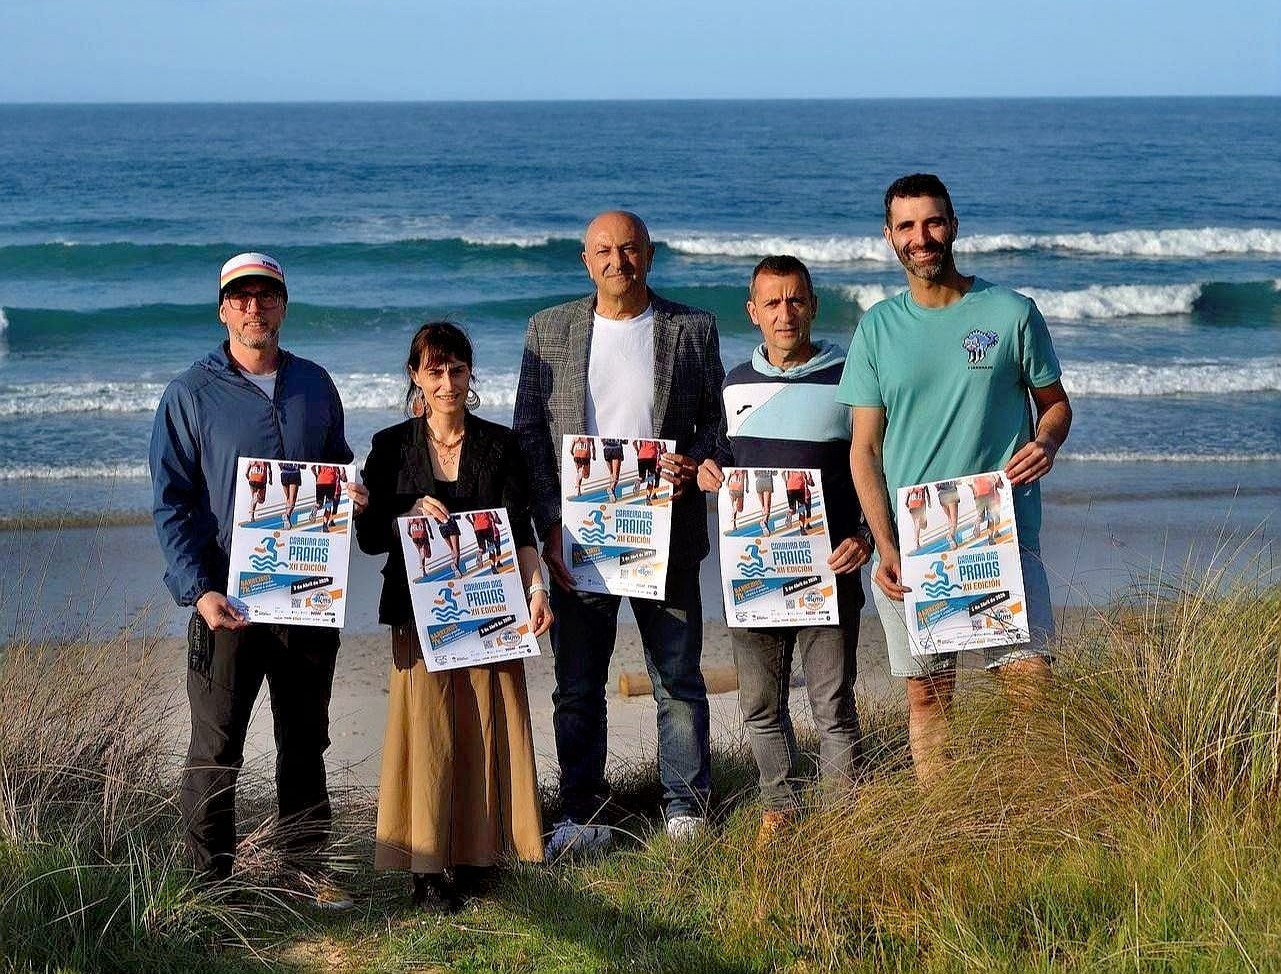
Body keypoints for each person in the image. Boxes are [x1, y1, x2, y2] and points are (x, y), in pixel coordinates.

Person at [839, 174, 1073, 784]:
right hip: (915, 542)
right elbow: (864, 450)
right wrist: (884, 547)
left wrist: (1045, 441)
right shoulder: (877, 329)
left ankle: (1032, 812)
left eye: (933, 222)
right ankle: (945, 817)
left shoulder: (1011, 312)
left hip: (1003, 529)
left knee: (1028, 686)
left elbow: (1055, 403)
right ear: (890, 236)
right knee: (929, 695)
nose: (922, 238)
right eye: (907, 226)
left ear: (954, 224)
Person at [150, 252, 367, 907]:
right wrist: (199, 589)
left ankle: (302, 875)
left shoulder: (314, 383)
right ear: (222, 309)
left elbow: (333, 467)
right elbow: (172, 499)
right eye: (240, 298)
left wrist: (350, 496)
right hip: (228, 606)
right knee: (215, 750)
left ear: (283, 304)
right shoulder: (190, 393)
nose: (254, 308)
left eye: (265, 296)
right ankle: (207, 889)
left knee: (305, 743)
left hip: (306, 599)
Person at [514, 210, 725, 854]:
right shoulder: (548, 330)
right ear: (585, 259)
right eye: (603, 251)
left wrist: (696, 461)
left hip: (667, 532)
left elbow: (717, 427)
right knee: (578, 685)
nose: (617, 262)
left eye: (629, 250)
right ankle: (581, 810)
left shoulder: (693, 328)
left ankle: (685, 808)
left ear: (650, 255)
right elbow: (528, 438)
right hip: (579, 539)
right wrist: (547, 523)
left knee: (678, 680)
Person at [355, 322, 553, 911]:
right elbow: (367, 538)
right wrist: (405, 509)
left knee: (486, 727)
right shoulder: (391, 446)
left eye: (457, 371)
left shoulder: (500, 444)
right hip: (417, 615)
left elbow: (520, 529)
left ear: (470, 375)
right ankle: (426, 867)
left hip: (491, 612)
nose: (447, 382)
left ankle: (478, 856)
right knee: (429, 735)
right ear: (415, 376)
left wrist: (537, 588)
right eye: (434, 371)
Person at [698, 255, 870, 843]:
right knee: (761, 707)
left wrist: (865, 537)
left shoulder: (850, 377)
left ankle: (844, 821)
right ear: (752, 312)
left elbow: (874, 467)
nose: (785, 313)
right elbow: (722, 453)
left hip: (831, 571)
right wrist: (709, 471)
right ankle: (780, 810)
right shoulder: (735, 382)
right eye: (771, 303)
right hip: (756, 578)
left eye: (795, 300)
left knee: (833, 708)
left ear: (813, 305)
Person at [969, 472, 1004, 544]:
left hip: (979, 496)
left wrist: (974, 491)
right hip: (991, 496)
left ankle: (978, 525)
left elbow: (969, 482)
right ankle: (991, 538)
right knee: (991, 519)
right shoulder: (993, 472)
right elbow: (1001, 485)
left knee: (981, 517)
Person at [311, 463, 345, 532]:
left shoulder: (320, 457)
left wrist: (317, 475)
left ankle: (316, 507)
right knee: (328, 506)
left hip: (320, 482)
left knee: (320, 503)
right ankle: (325, 526)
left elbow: (312, 467)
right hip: (331, 482)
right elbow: (343, 474)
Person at [782, 469, 815, 533]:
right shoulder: (803, 468)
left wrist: (787, 483)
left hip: (790, 488)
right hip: (800, 488)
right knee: (801, 510)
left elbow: (782, 473)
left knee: (792, 510)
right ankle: (802, 530)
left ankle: (790, 513)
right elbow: (809, 482)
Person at [633, 438, 663, 503]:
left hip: (641, 456)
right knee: (650, 480)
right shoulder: (655, 436)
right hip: (652, 458)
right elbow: (658, 446)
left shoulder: (641, 435)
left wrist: (638, 451)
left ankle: (638, 481)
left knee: (641, 477)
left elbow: (634, 443)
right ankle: (648, 499)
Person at [904, 483, 931, 550]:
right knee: (918, 523)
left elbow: (906, 500)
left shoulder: (911, 486)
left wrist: (908, 505)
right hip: (919, 504)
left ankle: (916, 541)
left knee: (918, 524)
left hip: (912, 505)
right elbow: (928, 495)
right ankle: (917, 543)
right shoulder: (924, 485)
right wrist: (929, 503)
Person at [279, 461, 304, 528]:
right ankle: (287, 515)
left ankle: (286, 522)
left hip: (284, 474)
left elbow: (279, 463)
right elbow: (303, 465)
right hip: (294, 473)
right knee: (292, 500)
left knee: (288, 499)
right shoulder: (299, 451)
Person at [754, 469, 777, 535]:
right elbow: (775, 473)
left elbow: (755, 473)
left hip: (759, 482)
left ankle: (764, 522)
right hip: (767, 481)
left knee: (763, 505)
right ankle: (764, 521)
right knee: (767, 505)